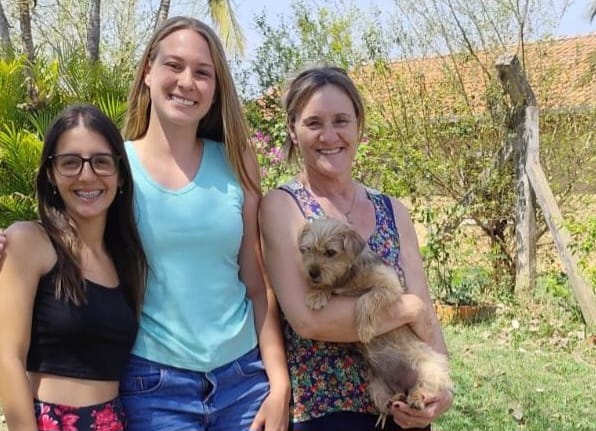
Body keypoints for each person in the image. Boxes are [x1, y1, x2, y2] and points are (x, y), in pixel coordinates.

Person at [117, 16, 289, 431]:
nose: (187, 82)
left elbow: (257, 284)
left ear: (215, 87)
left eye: (202, 72)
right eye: (174, 65)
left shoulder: (236, 161)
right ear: (147, 72)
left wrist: (279, 384)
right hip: (154, 386)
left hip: (244, 382)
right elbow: (68, 247)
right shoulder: (115, 165)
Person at [259, 66, 453, 431]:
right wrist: (407, 309)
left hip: (406, 409)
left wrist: (442, 388)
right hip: (326, 412)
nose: (329, 135)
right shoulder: (282, 207)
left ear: (358, 127)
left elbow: (426, 310)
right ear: (293, 130)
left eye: (341, 121)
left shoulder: (394, 211)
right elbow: (310, 320)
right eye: (313, 122)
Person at [0, 104, 148, 431]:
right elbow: (7, 357)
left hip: (116, 421)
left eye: (101, 162)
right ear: (51, 174)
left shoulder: (124, 258)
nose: (87, 175)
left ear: (121, 175)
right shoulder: (29, 242)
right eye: (70, 163)